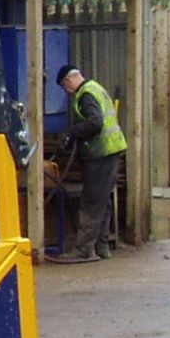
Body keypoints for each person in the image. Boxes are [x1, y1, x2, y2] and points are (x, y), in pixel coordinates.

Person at [50, 64, 126, 263]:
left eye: (64, 87)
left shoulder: (85, 95)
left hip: (101, 152)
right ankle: (101, 247)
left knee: (91, 201)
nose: (67, 91)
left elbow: (95, 122)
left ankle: (85, 249)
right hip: (111, 150)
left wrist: (72, 133)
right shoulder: (95, 88)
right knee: (102, 200)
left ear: (68, 81)